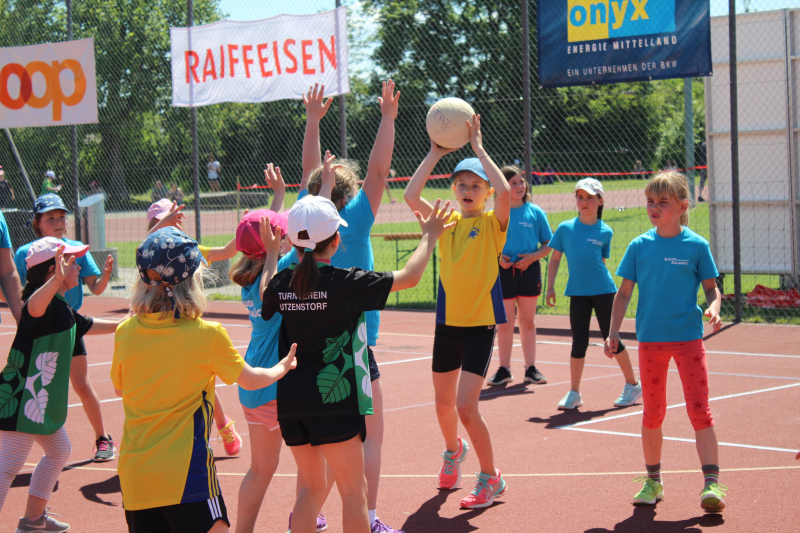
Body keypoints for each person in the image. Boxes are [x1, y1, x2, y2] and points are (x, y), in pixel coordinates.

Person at [261, 186, 453, 533]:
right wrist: (430, 235)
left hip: (292, 400)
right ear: (336, 241)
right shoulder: (344, 283)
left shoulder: (283, 282)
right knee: (353, 492)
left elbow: (265, 293)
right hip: (334, 402)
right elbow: (410, 278)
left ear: (293, 242)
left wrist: (273, 254)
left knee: (309, 488)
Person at [112, 227, 297, 533]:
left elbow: (121, 388)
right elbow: (250, 380)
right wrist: (282, 367)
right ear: (192, 281)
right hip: (186, 475)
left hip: (135, 476)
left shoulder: (125, 332)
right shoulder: (207, 334)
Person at [293, 81, 404, 533]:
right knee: (368, 438)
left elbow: (309, 175)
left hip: (303, 352)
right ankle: (368, 520)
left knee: (317, 447)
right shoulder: (352, 222)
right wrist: (387, 118)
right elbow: (378, 172)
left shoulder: (301, 229)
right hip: (352, 349)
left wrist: (313, 122)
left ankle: (307, 515)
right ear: (348, 197)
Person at [404, 113, 510, 509]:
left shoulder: (493, 224)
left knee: (466, 406)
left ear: (485, 193)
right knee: (442, 405)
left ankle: (490, 478)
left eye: (476, 185)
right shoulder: (444, 224)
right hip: (447, 326)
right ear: (453, 189)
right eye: (462, 184)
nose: (468, 190)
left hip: (479, 327)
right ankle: (453, 452)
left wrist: (478, 149)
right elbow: (411, 195)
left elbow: (505, 192)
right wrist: (434, 152)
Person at [605, 171, 726, 513]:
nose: (654, 208)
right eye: (650, 202)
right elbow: (623, 293)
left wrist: (715, 308)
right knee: (653, 411)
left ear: (683, 207)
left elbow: (712, 288)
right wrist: (613, 331)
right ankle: (653, 481)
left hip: (688, 340)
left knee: (699, 409)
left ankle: (712, 484)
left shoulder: (696, 246)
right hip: (651, 342)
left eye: (663, 202)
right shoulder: (639, 246)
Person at [0, 239, 121, 533]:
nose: (78, 267)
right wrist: (56, 279)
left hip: (38, 405)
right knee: (7, 467)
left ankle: (33, 520)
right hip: (21, 401)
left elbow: (88, 324)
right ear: (53, 269)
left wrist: (132, 323)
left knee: (59, 450)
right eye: (72, 262)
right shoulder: (39, 306)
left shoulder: (62, 308)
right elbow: (32, 307)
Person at [14, 194, 116, 462]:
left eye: (61, 217)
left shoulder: (76, 250)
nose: (58, 222)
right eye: (50, 218)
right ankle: (28, 439)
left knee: (80, 384)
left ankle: (102, 437)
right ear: (36, 223)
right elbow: (19, 290)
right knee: (37, 384)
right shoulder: (27, 255)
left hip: (68, 326)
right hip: (42, 333)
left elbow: (94, 292)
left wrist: (105, 279)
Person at [544, 178, 641, 410]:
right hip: (577, 293)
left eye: (590, 197)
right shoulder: (565, 228)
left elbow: (601, 263)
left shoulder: (606, 231)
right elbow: (554, 259)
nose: (584, 202)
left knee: (612, 339)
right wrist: (550, 287)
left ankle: (633, 385)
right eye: (580, 197)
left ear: (600, 201)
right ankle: (574, 392)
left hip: (604, 292)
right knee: (579, 342)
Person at [229, 208, 298, 533]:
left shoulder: (248, 277)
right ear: (272, 244)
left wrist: (280, 197)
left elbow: (263, 238)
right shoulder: (278, 271)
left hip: (251, 382)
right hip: (274, 384)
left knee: (260, 469)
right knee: (317, 465)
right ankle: (305, 521)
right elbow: (309, 241)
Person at [487, 166, 552, 387]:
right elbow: (487, 245)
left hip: (529, 270)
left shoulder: (535, 212)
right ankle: (504, 369)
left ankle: (531, 369)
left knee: (527, 321)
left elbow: (548, 244)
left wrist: (532, 257)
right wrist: (498, 258)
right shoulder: (496, 214)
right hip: (504, 272)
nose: (519, 186)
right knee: (505, 322)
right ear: (502, 187)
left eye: (521, 181)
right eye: (512, 183)